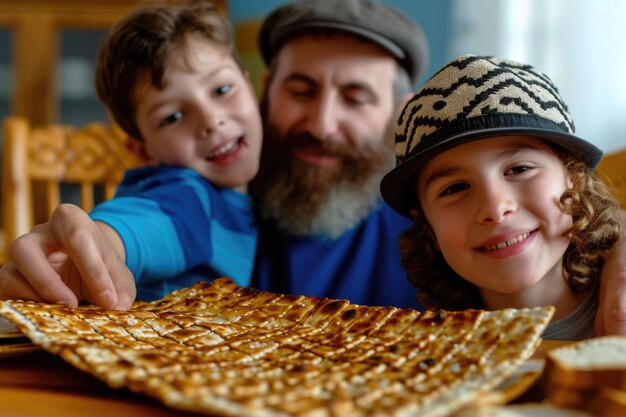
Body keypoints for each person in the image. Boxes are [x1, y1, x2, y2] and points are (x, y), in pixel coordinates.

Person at [1, 0, 626, 336]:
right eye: (301, 89)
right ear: (263, 91)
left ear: (399, 118)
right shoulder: (219, 196)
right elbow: (160, 216)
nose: (322, 123)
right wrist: (97, 242)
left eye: (356, 97)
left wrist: (615, 234)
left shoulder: (444, 219)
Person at [0, 1, 262, 307]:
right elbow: (142, 222)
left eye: (221, 90)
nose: (211, 121)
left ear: (249, 82)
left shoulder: (263, 198)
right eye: (173, 117)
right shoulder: (188, 196)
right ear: (143, 151)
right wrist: (97, 243)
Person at [380, 54, 621, 340]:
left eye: (519, 169)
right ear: (428, 227)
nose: (495, 208)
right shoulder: (422, 353)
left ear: (575, 182)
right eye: (454, 188)